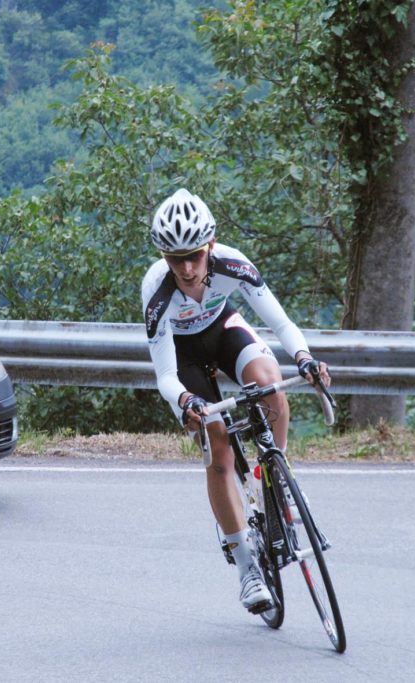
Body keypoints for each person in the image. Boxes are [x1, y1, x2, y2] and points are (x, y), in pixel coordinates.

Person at [141, 188, 331, 613]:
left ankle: (274, 476)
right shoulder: (156, 290)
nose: (187, 269)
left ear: (210, 245)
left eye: (194, 256)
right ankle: (247, 569)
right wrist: (186, 401)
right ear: (163, 257)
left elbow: (281, 323)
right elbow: (166, 375)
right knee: (218, 447)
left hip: (223, 329)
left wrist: (304, 357)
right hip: (184, 359)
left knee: (271, 387)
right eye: (175, 259)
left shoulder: (233, 263)